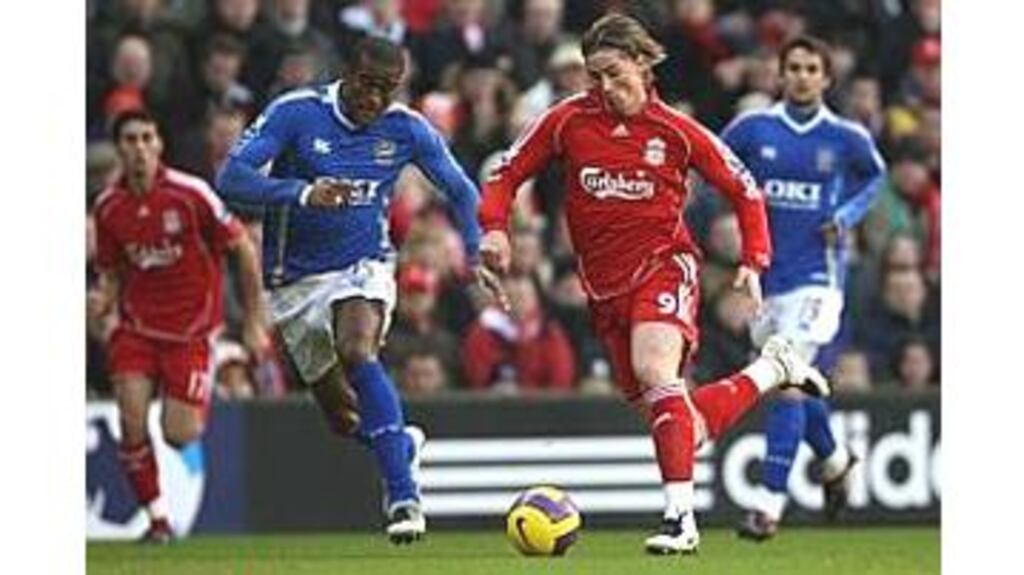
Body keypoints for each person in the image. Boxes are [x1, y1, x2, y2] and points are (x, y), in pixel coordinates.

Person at [478, 13, 829, 555]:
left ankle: (679, 521)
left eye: (614, 74)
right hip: (602, 288)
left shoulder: (677, 131)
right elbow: (505, 174)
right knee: (680, 424)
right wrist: (495, 230)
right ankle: (772, 368)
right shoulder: (567, 121)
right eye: (594, 76)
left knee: (654, 369)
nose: (603, 88)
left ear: (643, 65)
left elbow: (744, 188)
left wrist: (754, 259)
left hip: (665, 266)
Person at [215, 35, 503, 544]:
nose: (375, 100)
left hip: (363, 265)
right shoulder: (295, 113)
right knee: (344, 417)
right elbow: (231, 178)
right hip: (293, 281)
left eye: (387, 90)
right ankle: (397, 445)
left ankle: (403, 497)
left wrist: (478, 246)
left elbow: (459, 188)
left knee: (357, 349)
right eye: (368, 86)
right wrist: (301, 192)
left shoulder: (407, 129)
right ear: (348, 72)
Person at [721, 35, 887, 541]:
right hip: (765, 282)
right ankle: (836, 462)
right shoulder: (753, 129)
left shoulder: (844, 137)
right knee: (794, 382)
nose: (801, 75)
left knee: (788, 382)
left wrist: (847, 215)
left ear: (826, 78)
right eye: (793, 66)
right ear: (779, 74)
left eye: (811, 67)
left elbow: (874, 178)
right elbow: (712, 163)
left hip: (818, 280)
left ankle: (768, 506)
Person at [89, 109, 269, 542]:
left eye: (147, 138)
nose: (139, 148)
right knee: (131, 421)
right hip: (136, 329)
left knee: (179, 434)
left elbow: (242, 248)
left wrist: (254, 321)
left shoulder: (191, 195)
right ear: (119, 149)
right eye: (130, 140)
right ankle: (158, 521)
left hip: (191, 332)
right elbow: (113, 269)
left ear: (159, 145)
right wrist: (104, 299)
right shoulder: (109, 208)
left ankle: (217, 356)